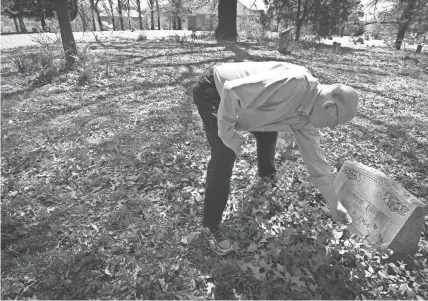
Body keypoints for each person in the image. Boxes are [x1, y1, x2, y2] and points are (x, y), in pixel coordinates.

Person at [192, 61, 359, 255]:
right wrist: (229, 135)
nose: (331, 128)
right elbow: (231, 91)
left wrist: (334, 203)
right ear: (329, 106)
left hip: (248, 104)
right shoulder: (294, 85)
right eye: (335, 122)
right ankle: (210, 226)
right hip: (215, 89)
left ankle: (267, 174)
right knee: (224, 153)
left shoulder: (307, 118)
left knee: (268, 132)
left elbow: (316, 159)